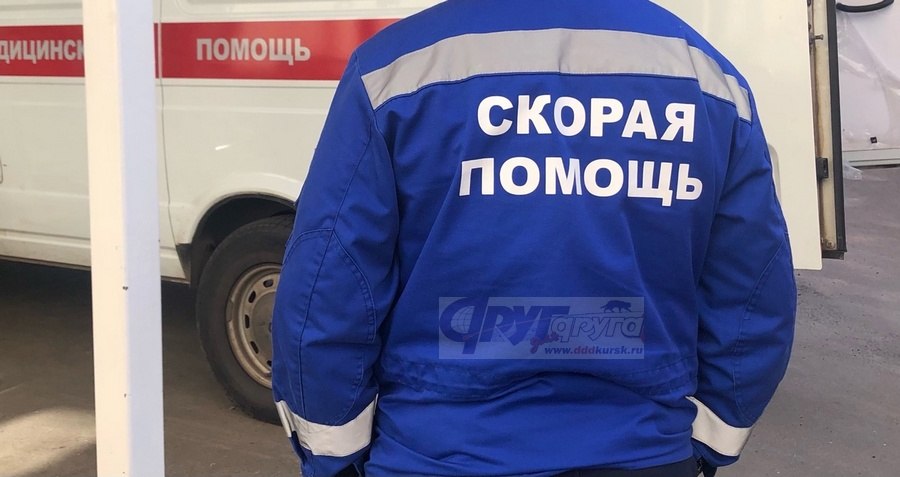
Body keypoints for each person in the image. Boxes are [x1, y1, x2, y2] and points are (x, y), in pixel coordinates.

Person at [271, 1, 797, 476]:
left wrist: (332, 451)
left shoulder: (393, 71)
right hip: (644, 448)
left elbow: (327, 284)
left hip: (439, 451)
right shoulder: (709, 80)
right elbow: (753, 290)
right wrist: (708, 442)